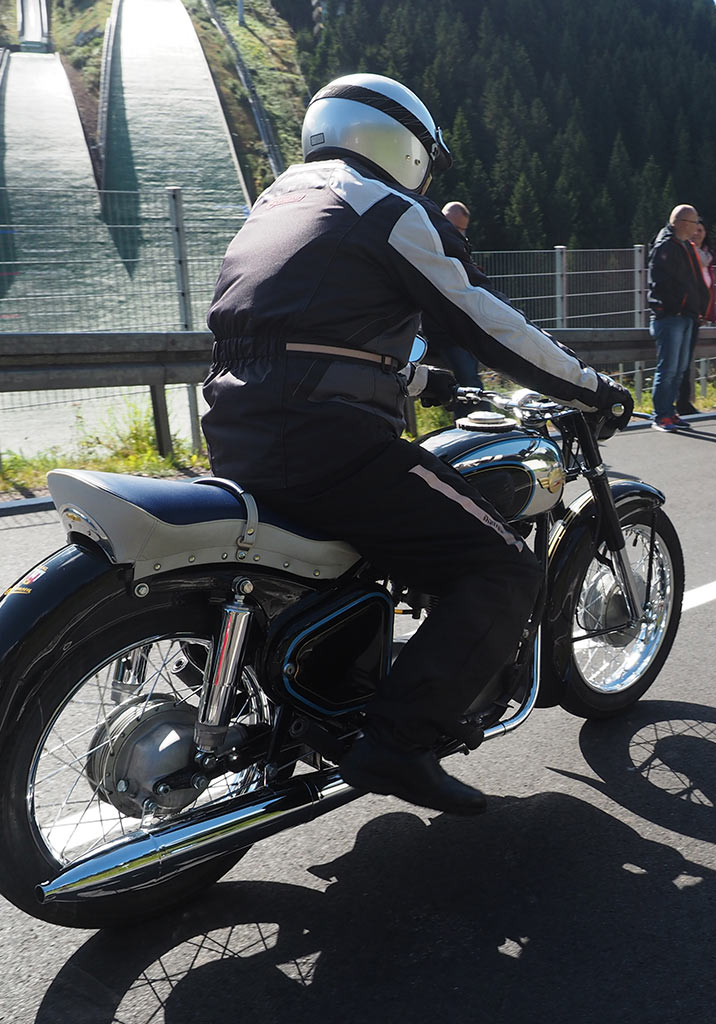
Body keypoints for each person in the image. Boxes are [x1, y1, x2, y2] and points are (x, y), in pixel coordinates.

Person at [201, 73, 632, 816]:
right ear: (403, 147)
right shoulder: (386, 207)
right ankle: (399, 744)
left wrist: (422, 379)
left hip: (236, 431)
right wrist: (591, 387)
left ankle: (329, 694)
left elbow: (311, 329)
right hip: (329, 444)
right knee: (503, 570)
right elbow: (485, 319)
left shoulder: (278, 201)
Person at [647, 204, 708, 431]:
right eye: (694, 223)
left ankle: (670, 413)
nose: (697, 227)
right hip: (671, 317)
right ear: (682, 223)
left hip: (686, 316)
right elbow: (662, 284)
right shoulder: (666, 246)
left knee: (679, 368)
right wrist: (679, 306)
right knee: (668, 368)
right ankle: (660, 415)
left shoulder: (682, 245)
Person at [422, 201, 485, 412]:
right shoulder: (424, 242)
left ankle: (472, 419)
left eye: (460, 228)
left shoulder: (457, 247)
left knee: (469, 375)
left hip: (458, 331)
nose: (456, 232)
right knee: (469, 382)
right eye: (453, 226)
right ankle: (477, 424)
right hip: (439, 332)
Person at [676, 221, 716, 416]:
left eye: (701, 230)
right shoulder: (686, 253)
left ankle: (684, 402)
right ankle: (681, 403)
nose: (697, 233)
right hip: (685, 313)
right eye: (695, 229)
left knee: (687, 359)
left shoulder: (706, 256)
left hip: (696, 314)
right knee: (681, 361)